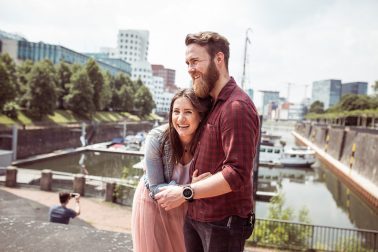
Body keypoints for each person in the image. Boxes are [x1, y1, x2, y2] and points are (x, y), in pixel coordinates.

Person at [155, 31, 260, 252]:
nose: (190, 69)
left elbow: (237, 173)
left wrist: (186, 191)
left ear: (219, 59)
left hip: (222, 223)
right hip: (198, 215)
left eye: (195, 61)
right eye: (187, 63)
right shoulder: (212, 103)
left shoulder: (236, 107)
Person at [131, 88, 211, 252]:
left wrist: (189, 192)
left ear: (200, 115)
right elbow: (155, 187)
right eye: (176, 112)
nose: (180, 118)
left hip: (184, 208)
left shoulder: (208, 143)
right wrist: (189, 189)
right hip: (152, 203)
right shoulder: (156, 138)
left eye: (188, 112)